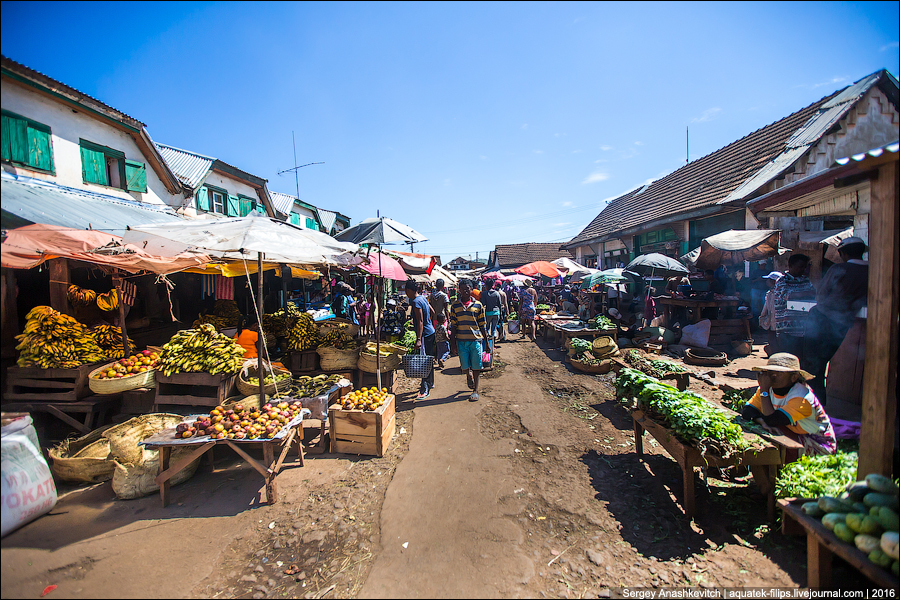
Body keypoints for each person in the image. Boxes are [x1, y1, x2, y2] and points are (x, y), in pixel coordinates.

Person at [803, 236, 869, 404]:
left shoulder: (839, 269)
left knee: (812, 368)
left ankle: (815, 407)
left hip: (822, 320)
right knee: (822, 363)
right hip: (843, 325)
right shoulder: (871, 271)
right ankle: (818, 406)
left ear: (843, 253)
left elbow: (821, 295)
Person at [741, 353, 836, 456]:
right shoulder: (768, 390)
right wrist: (761, 421)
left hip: (818, 444)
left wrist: (764, 390)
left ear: (794, 377)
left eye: (778, 373)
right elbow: (748, 410)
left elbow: (772, 420)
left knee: (772, 434)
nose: (772, 376)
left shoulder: (802, 397)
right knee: (760, 428)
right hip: (793, 433)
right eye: (770, 372)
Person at [449, 279, 489, 402]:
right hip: (461, 341)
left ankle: (475, 390)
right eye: (463, 288)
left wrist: (487, 343)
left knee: (476, 366)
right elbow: (453, 325)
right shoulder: (455, 305)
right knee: (465, 366)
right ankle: (468, 374)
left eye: (467, 288)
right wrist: (453, 344)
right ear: (459, 290)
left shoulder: (478, 305)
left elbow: (482, 325)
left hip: (476, 340)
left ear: (471, 290)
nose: (465, 291)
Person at [773, 254, 816, 360]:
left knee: (801, 359)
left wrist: (804, 293)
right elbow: (788, 295)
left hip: (803, 328)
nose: (803, 269)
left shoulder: (805, 280)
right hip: (787, 329)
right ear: (791, 266)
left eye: (804, 267)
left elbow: (813, 293)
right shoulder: (782, 281)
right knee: (788, 359)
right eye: (800, 266)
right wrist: (805, 293)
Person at [406, 280, 435, 399]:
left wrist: (418, 339)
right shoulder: (423, 298)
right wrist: (428, 321)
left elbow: (420, 321)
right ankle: (431, 382)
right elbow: (432, 311)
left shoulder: (416, 302)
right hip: (430, 331)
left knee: (423, 361)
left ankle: (425, 389)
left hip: (424, 335)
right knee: (428, 359)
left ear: (409, 290)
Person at [758, 271, 783, 353]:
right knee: (771, 340)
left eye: (768, 280)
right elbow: (765, 309)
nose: (766, 281)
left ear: (773, 281)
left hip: (779, 324)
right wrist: (762, 320)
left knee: (779, 341)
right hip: (771, 323)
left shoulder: (780, 293)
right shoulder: (769, 294)